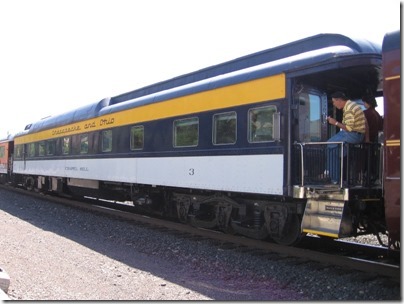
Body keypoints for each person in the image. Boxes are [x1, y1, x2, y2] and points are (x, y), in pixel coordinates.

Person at [325, 91, 366, 184]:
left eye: (334, 102)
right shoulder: (353, 105)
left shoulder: (349, 108)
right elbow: (365, 123)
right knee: (335, 150)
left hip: (352, 134)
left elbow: (349, 128)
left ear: (339, 100)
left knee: (329, 145)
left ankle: (334, 178)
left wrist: (334, 122)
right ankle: (331, 172)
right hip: (358, 134)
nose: (334, 104)